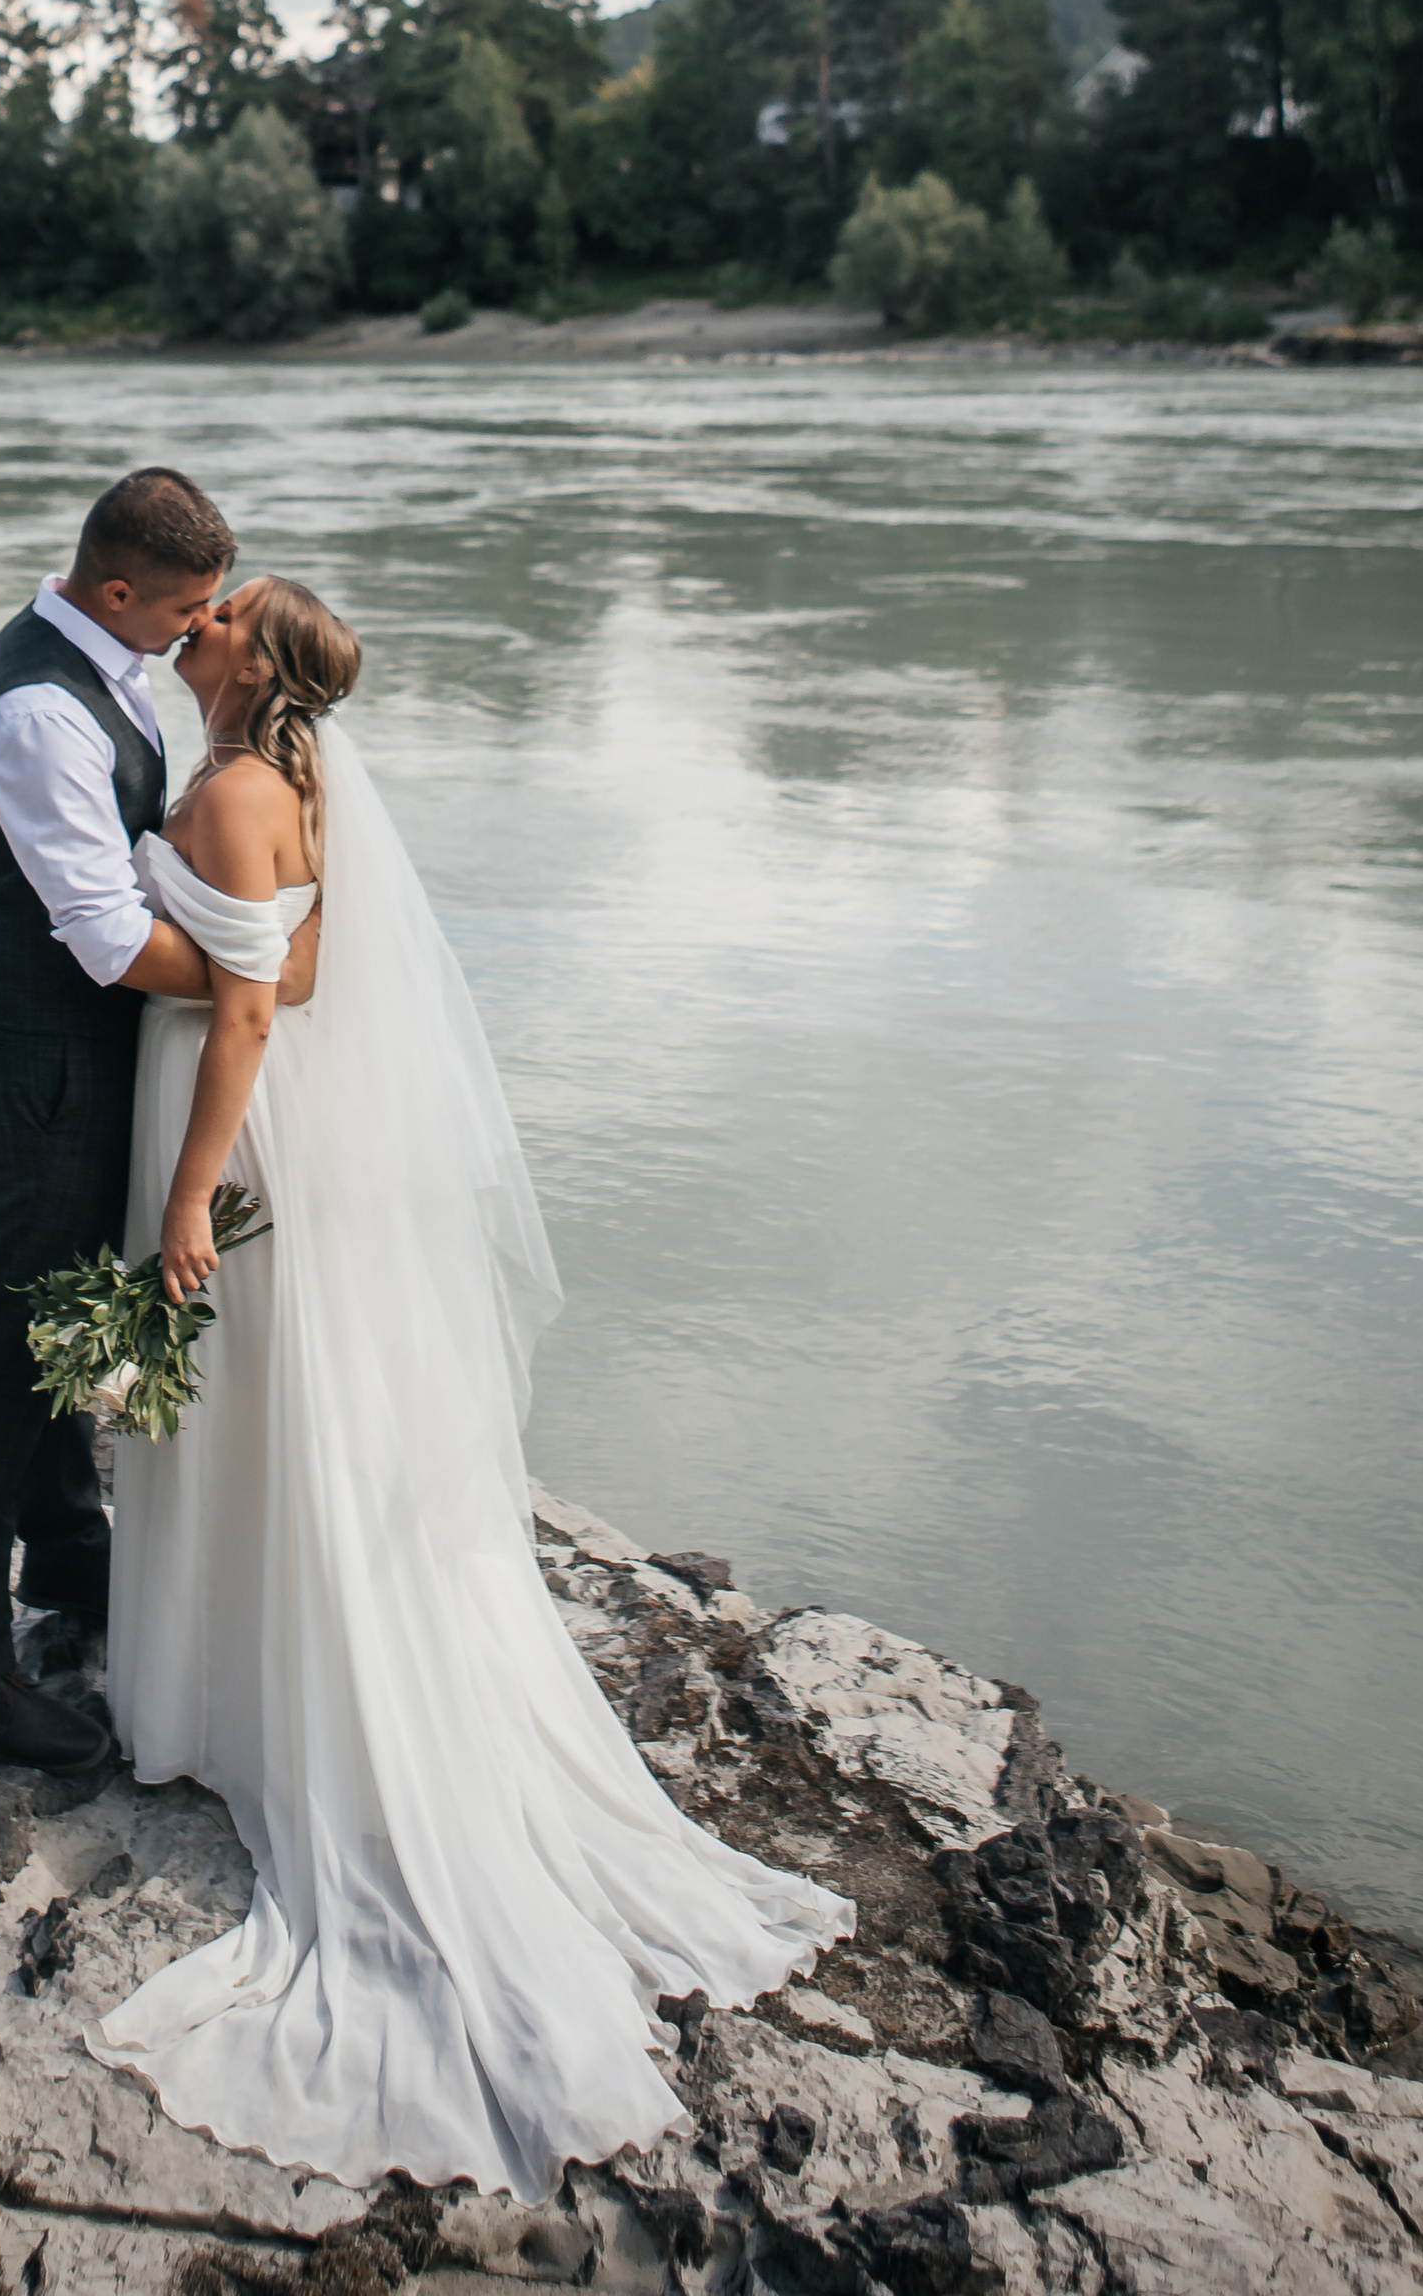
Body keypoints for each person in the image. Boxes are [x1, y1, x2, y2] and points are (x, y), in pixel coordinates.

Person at [89, 575, 857, 2198]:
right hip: (279, 1134)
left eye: (219, 615)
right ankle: (249, 1674)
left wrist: (181, 1203)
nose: (197, 625)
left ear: (255, 664)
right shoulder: (293, 786)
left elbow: (244, 1010)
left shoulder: (233, 792)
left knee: (263, 1426)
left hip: (239, 1144)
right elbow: (300, 982)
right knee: (287, 1435)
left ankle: (245, 1698)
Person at [0, 468, 320, 1775]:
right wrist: (258, 980)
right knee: (6, 1327)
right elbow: (98, 936)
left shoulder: (111, 656)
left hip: (86, 1042)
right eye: (189, 607)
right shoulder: (41, 705)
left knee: (55, 1303)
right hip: (41, 1039)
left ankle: (72, 1558)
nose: (201, 628)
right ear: (116, 590)